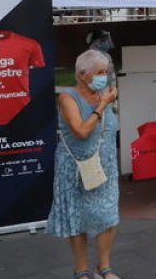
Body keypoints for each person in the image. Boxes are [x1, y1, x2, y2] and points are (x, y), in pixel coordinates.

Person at [48, 49, 122, 279]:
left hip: (105, 167)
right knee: (77, 217)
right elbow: (81, 131)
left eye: (106, 72)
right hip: (76, 169)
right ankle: (81, 270)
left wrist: (106, 102)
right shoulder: (68, 98)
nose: (105, 77)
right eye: (99, 72)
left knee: (108, 215)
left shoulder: (105, 93)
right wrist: (102, 106)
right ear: (82, 74)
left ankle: (104, 267)